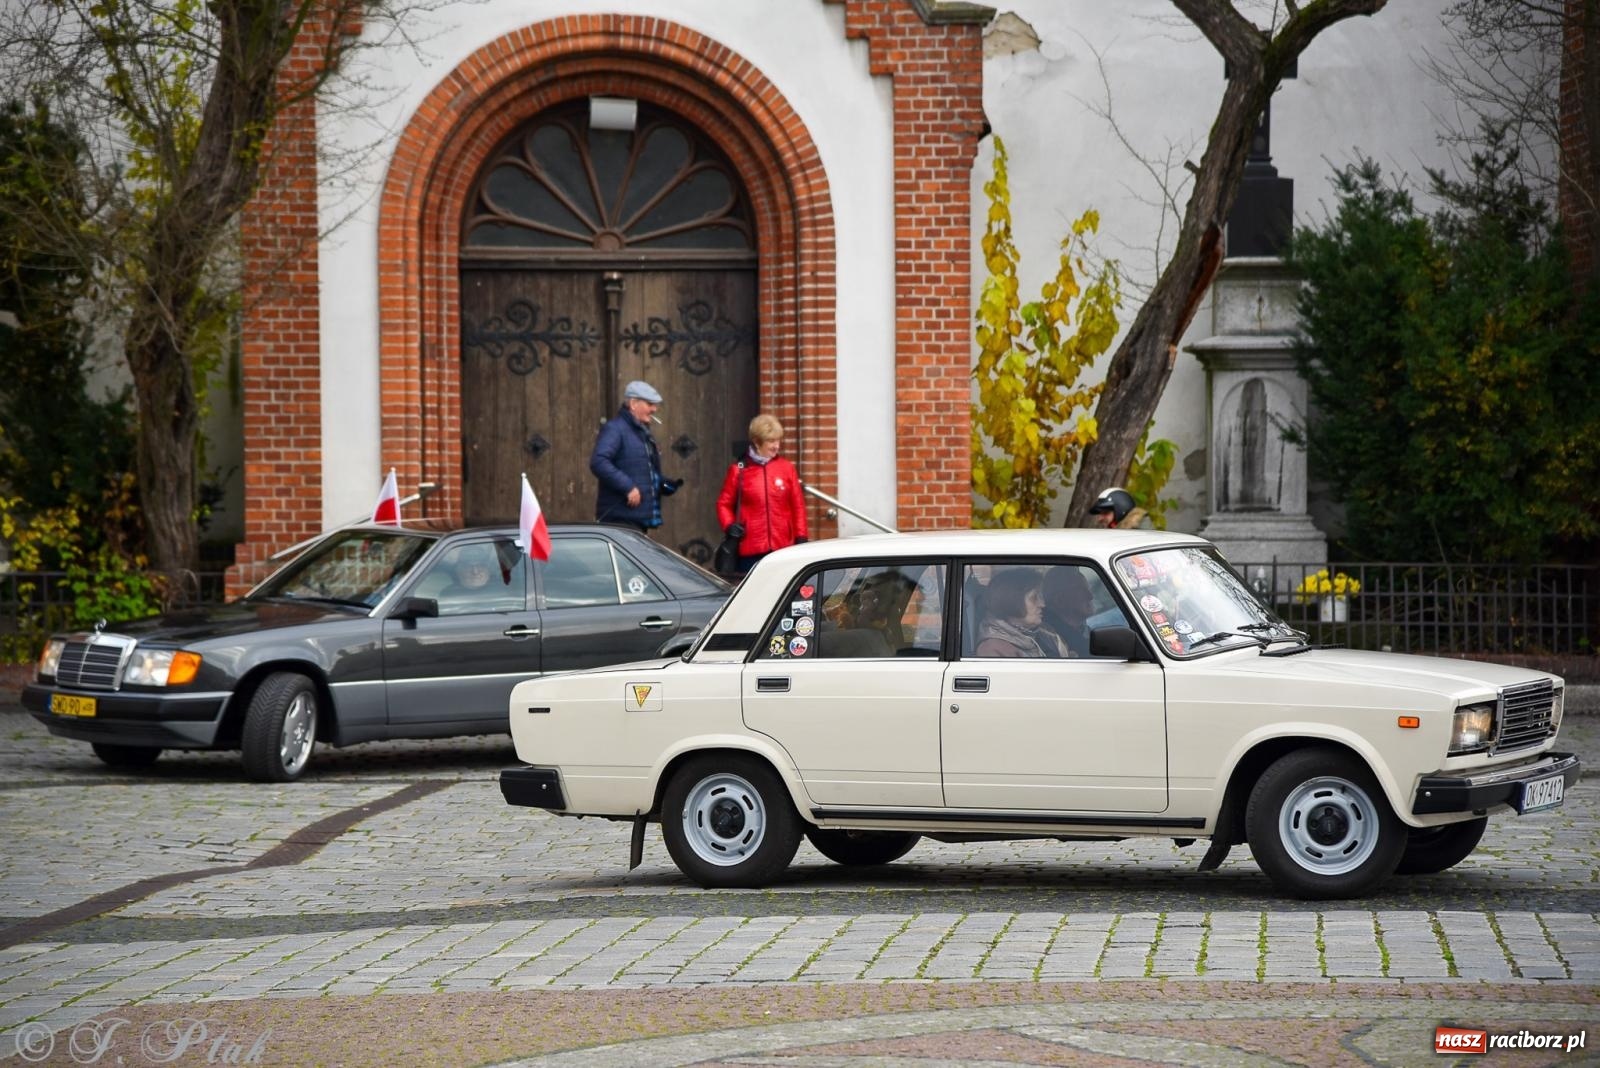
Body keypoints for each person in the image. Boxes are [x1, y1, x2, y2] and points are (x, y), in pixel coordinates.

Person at [715, 413, 808, 574]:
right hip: (750, 548)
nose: (776, 446)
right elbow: (723, 503)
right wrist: (729, 525)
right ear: (757, 441)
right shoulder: (739, 470)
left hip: (783, 547)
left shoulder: (787, 468)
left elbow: (797, 506)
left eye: (778, 440)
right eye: (771, 441)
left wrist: (801, 537)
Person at [590, 380, 682, 532]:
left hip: (635, 518)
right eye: (649, 404)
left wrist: (661, 483)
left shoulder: (641, 432)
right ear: (633, 404)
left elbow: (639, 468)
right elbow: (599, 462)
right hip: (620, 518)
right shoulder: (615, 429)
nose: (654, 409)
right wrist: (628, 487)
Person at [972, 568, 1069, 658]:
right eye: (1034, 598)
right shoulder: (992, 650)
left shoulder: (1045, 634)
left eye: (1041, 597)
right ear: (1012, 601)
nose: (1042, 604)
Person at [1041, 565, 1094, 657]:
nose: (1090, 596)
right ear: (1059, 600)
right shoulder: (1052, 643)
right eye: (1082, 591)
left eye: (1088, 589)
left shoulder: (1082, 630)